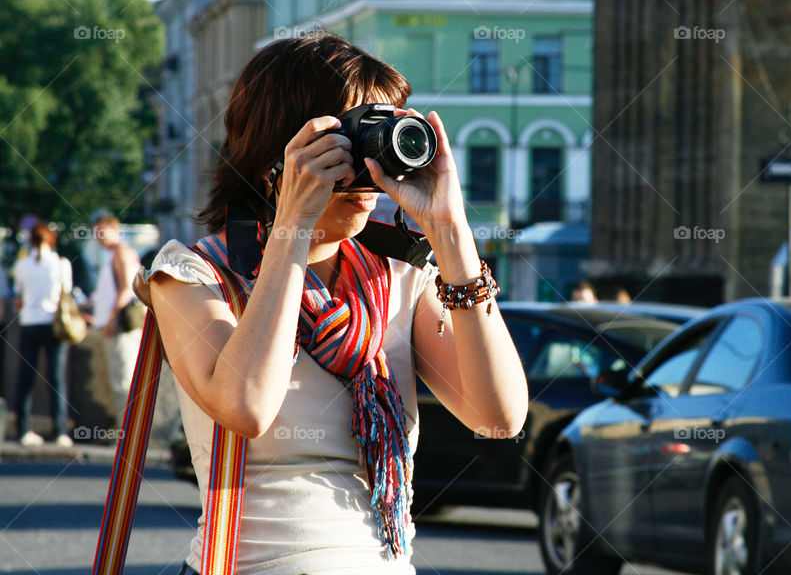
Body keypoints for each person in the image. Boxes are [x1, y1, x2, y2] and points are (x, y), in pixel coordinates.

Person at [137, 33, 528, 574]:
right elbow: (246, 405)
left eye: (382, 135)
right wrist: (293, 224)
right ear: (280, 148)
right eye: (352, 139)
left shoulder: (400, 280)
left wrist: (452, 234)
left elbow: (499, 416)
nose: (369, 167)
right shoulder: (193, 277)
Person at [11, 222, 73, 447]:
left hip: (29, 324)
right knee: (57, 379)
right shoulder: (61, 264)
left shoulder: (21, 265)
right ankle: (60, 431)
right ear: (51, 240)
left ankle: (24, 429)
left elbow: (17, 296)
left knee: (25, 377)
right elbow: (66, 293)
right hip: (54, 325)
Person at [88, 211, 142, 426]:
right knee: (121, 379)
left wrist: (111, 319)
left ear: (115, 230)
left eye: (102, 232)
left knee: (124, 380)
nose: (98, 237)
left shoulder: (121, 253)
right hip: (116, 324)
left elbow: (125, 291)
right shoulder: (114, 254)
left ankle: (128, 432)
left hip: (121, 326)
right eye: (96, 233)